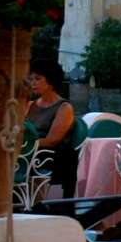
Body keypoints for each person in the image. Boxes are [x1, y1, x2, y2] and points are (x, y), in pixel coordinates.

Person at [25, 59, 79, 199]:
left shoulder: (64, 107)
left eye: (38, 79)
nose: (33, 83)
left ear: (51, 81)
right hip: (27, 152)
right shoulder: (29, 105)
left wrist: (24, 145)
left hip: (46, 156)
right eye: (31, 79)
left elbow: (52, 141)